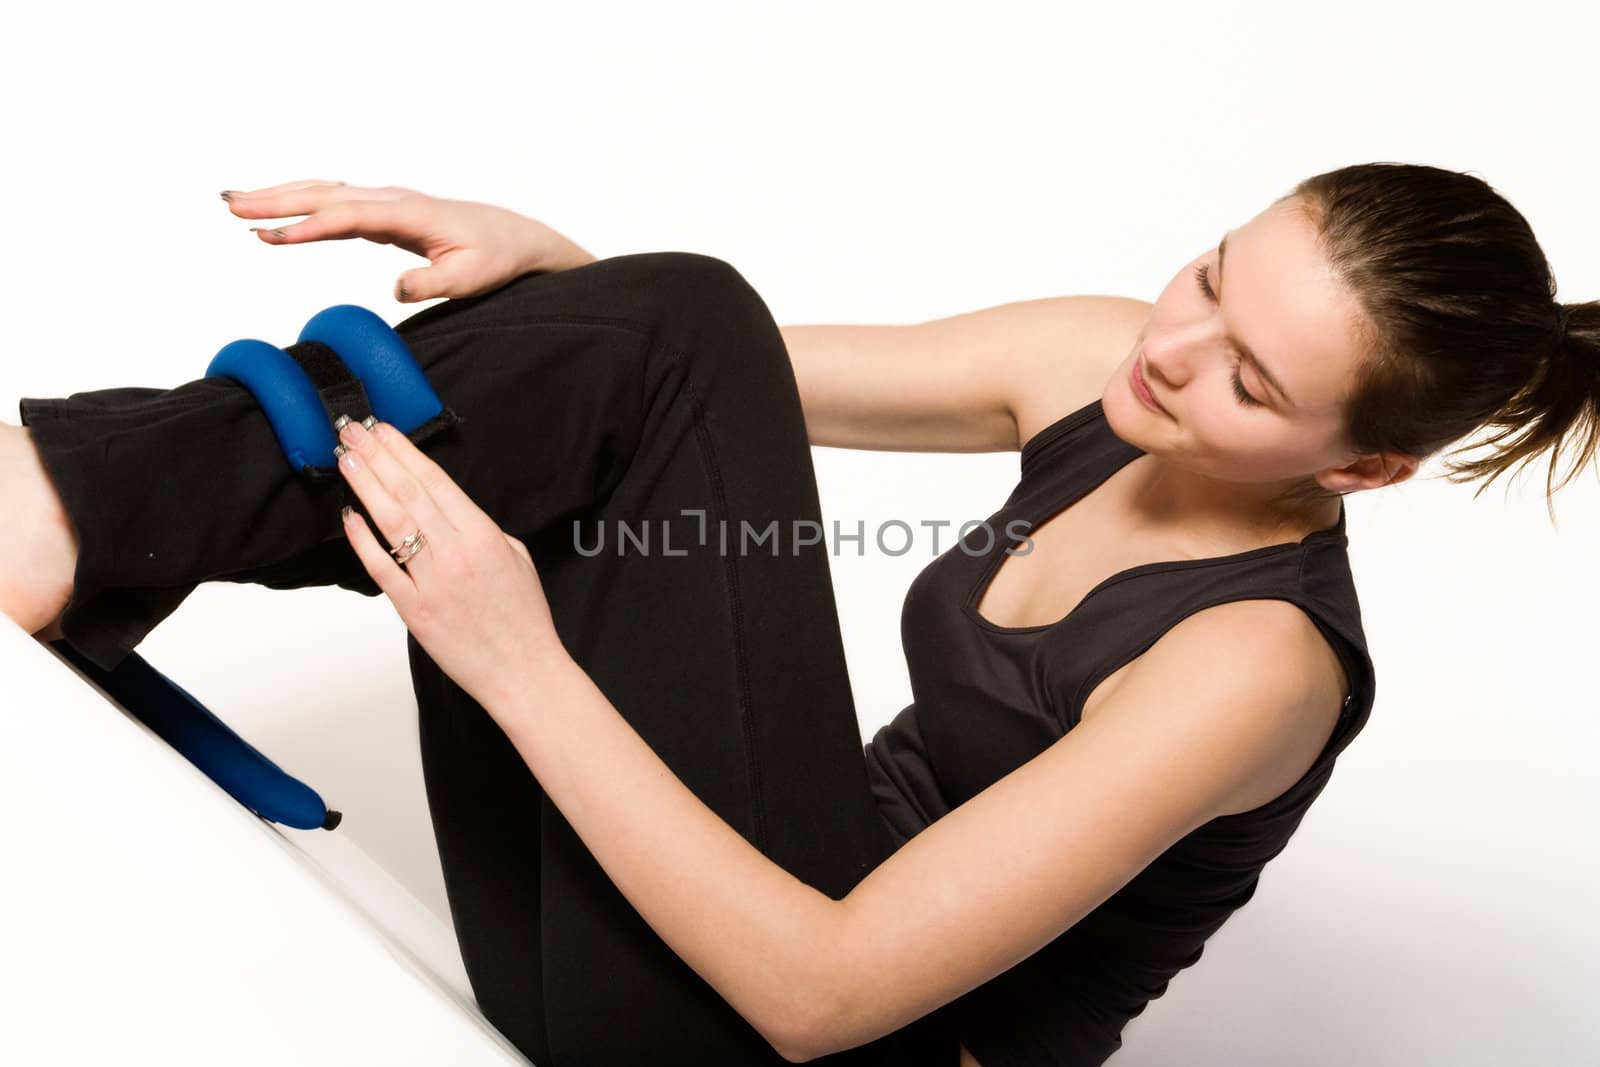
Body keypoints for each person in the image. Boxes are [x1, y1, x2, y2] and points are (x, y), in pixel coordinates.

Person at [1, 161, 1593, 1066]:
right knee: (668, 315)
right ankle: (74, 525)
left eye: (1252, 377)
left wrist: (521, 663)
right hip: (662, 954)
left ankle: (68, 515)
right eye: (1212, 275)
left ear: (1367, 465)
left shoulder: (1259, 662)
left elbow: (822, 994)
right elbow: (697, 374)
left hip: (812, 1047)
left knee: (665, 335)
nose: (1180, 348)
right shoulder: (1112, 363)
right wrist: (565, 284)